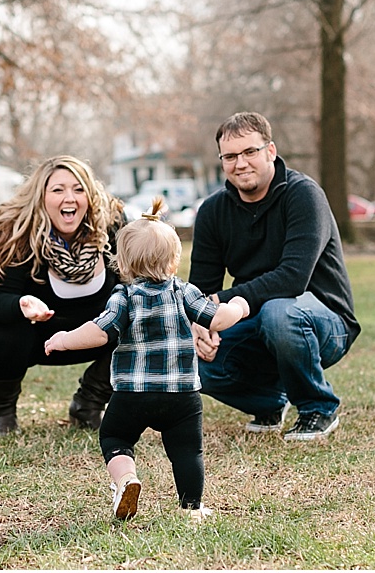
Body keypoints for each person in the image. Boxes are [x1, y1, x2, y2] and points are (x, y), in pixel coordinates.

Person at [45, 197, 250, 520]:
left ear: (123, 264)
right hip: (182, 396)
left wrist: (64, 339)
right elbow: (217, 319)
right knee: (186, 451)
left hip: (132, 394)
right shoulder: (184, 292)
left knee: (115, 437)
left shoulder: (124, 296)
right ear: (173, 262)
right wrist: (239, 305)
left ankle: (126, 479)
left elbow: (100, 332)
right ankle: (191, 509)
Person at [189, 111, 361, 442]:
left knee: (279, 313)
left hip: (323, 321)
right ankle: (269, 402)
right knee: (187, 356)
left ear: (270, 151)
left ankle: (317, 408)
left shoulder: (303, 195)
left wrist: (226, 303)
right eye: (230, 156)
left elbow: (292, 278)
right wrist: (200, 325)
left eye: (250, 152)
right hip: (257, 320)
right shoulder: (212, 212)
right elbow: (202, 289)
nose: (240, 163)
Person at [0, 155, 125, 435]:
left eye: (78, 189)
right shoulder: (12, 229)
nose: (70, 198)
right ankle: (3, 412)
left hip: (92, 329)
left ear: (90, 196)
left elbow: (138, 283)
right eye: (58, 190)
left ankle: (89, 402)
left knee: (147, 315)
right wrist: (22, 304)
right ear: (41, 196)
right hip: (29, 331)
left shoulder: (111, 226)